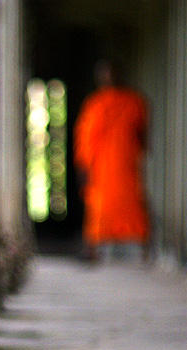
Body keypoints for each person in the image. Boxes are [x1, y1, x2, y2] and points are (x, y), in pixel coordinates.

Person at [73, 60, 149, 262]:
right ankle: (92, 249)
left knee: (133, 205)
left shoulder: (133, 102)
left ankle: (145, 249)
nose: (109, 78)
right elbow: (85, 138)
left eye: (112, 73)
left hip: (124, 162)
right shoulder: (95, 105)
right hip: (101, 167)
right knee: (97, 207)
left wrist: (140, 152)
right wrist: (83, 167)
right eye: (105, 74)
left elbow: (141, 132)